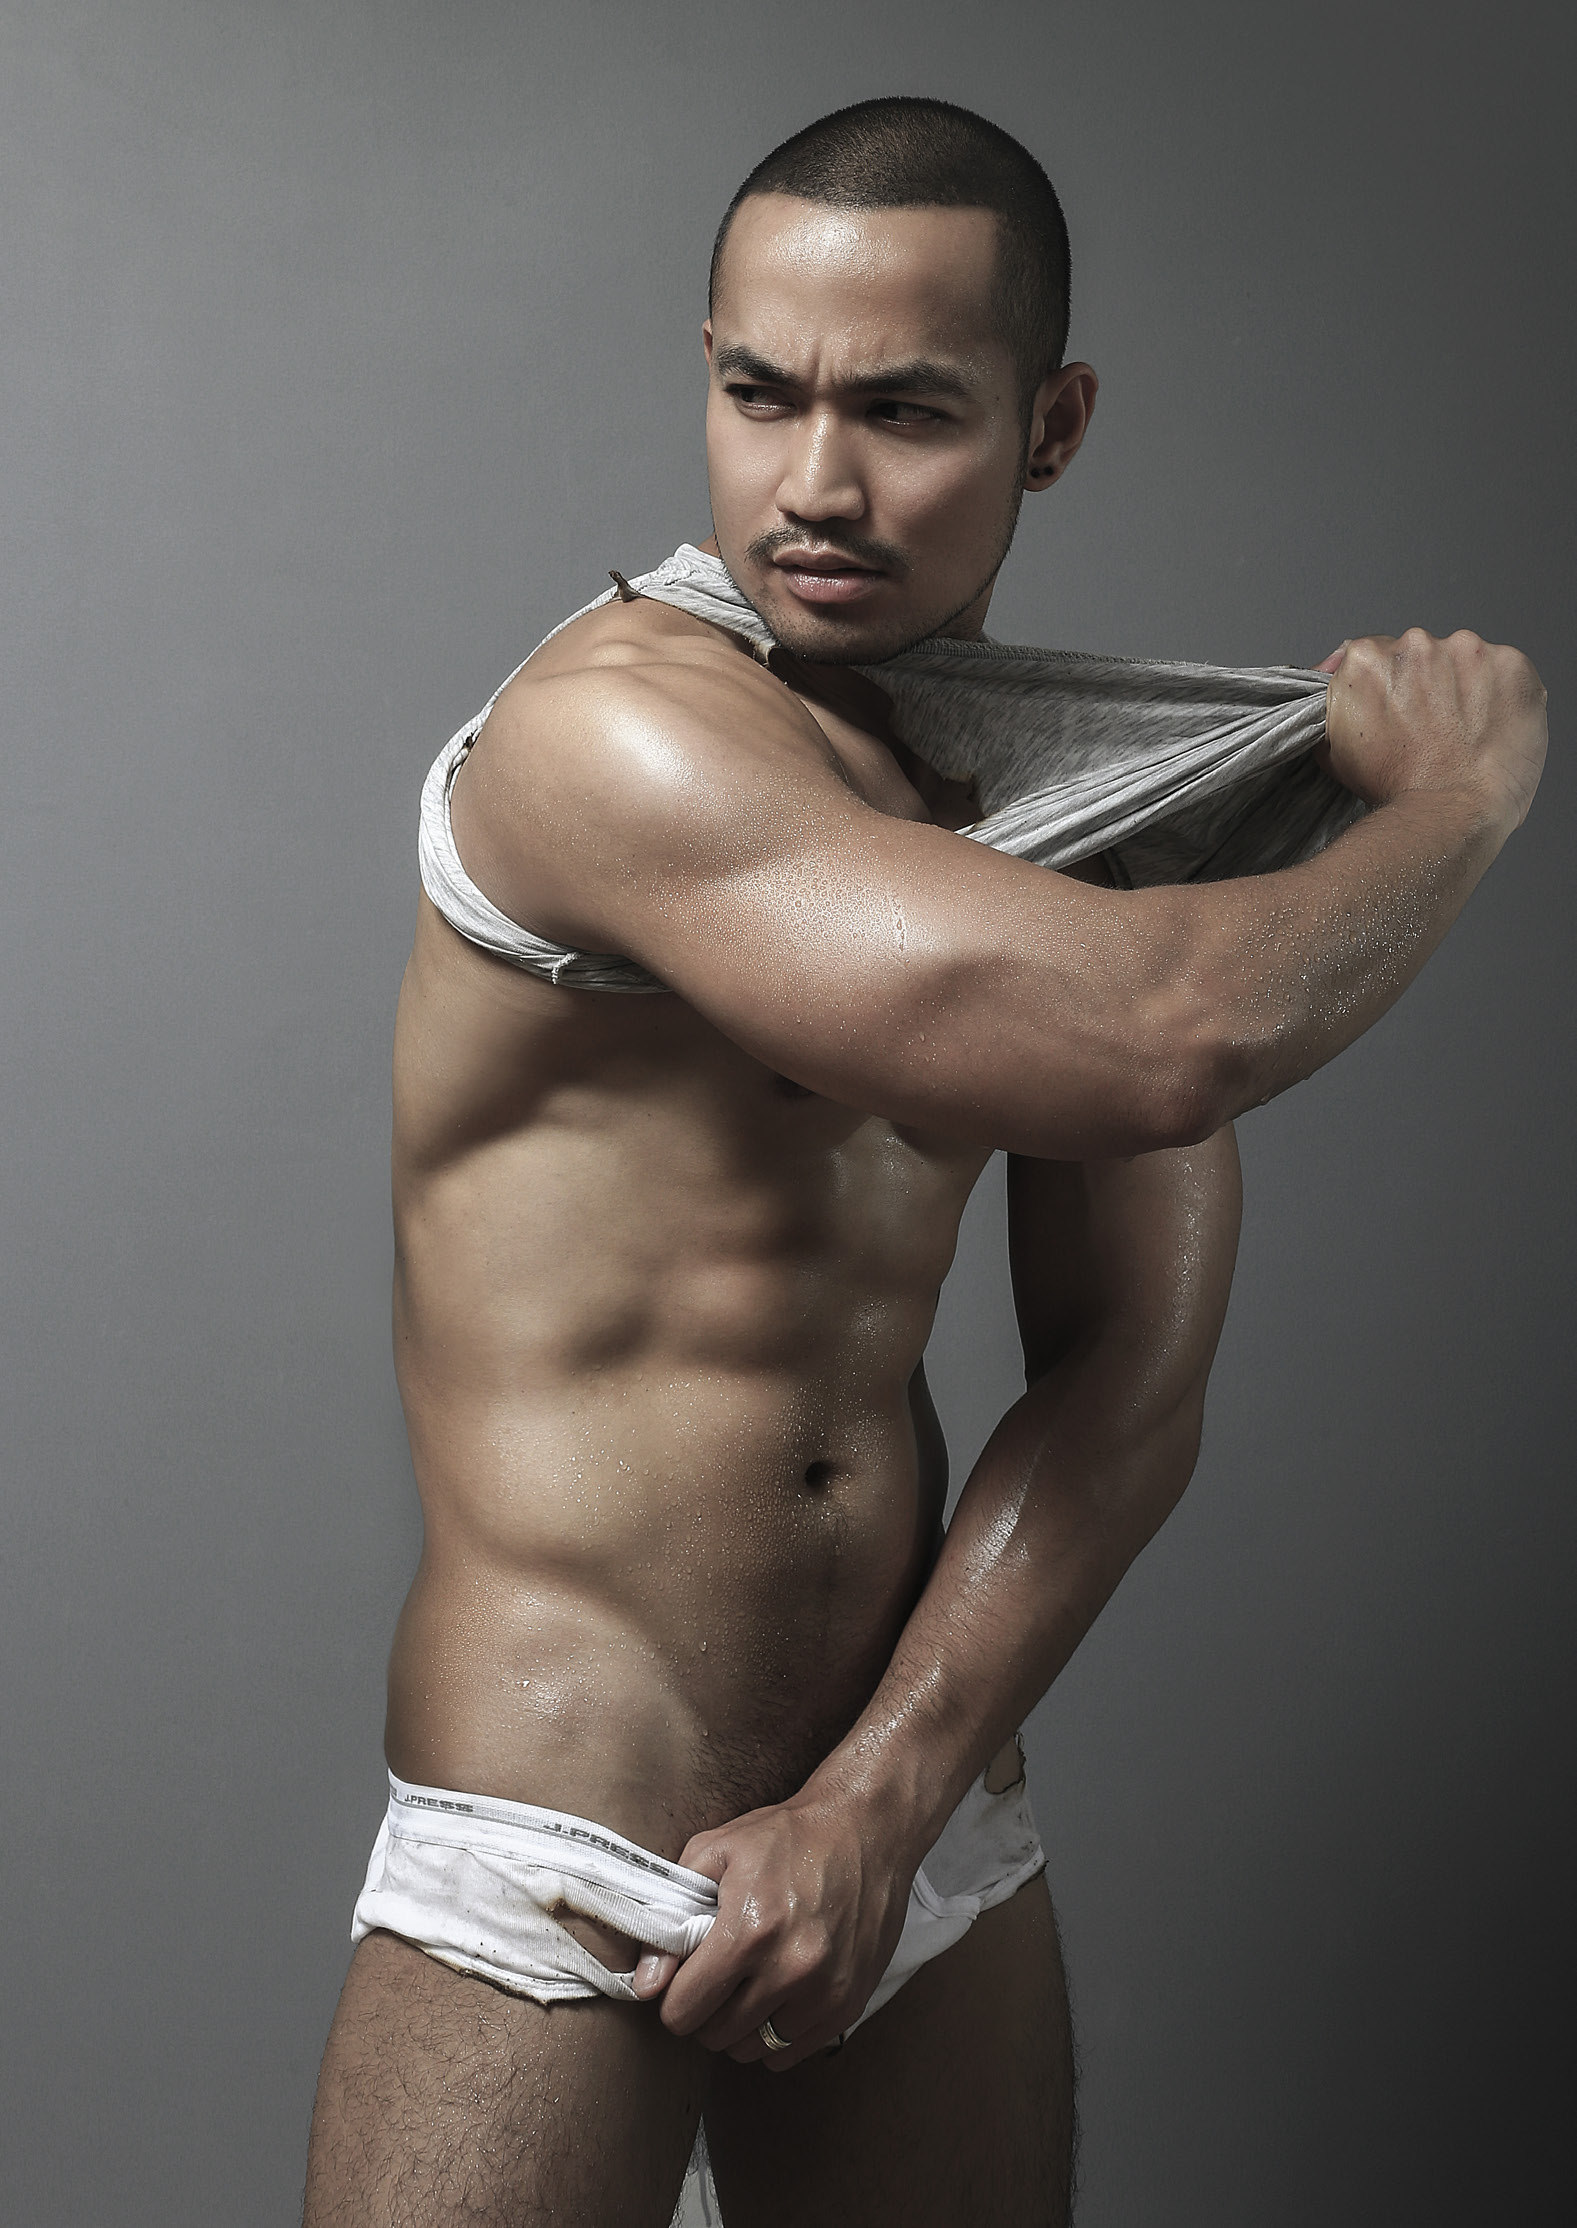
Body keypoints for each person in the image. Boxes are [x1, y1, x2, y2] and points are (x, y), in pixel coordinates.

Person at [301, 97, 1544, 2228]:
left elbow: (1130, 1366)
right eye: (758, 393)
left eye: (902, 409)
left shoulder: (1051, 818)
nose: (815, 482)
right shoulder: (613, 737)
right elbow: (1165, 1036)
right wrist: (1453, 803)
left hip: (915, 1810)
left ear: (1051, 427)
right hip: (570, 1822)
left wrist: (876, 1806)